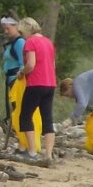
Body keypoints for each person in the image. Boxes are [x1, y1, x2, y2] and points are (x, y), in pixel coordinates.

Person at [17, 17, 57, 163]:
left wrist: (22, 73)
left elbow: (31, 64)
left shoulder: (30, 42)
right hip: (50, 83)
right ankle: (49, 154)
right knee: (47, 118)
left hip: (35, 83)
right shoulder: (48, 42)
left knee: (26, 116)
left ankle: (32, 151)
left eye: (22, 32)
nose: (22, 36)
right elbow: (53, 64)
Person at [0, 17, 28, 151]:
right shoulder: (10, 43)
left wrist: (20, 80)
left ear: (16, 27)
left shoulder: (20, 42)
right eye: (4, 28)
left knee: (18, 110)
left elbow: (23, 62)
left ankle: (24, 143)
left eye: (8, 28)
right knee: (13, 111)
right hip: (10, 79)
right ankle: (20, 141)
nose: (6, 31)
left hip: (17, 80)